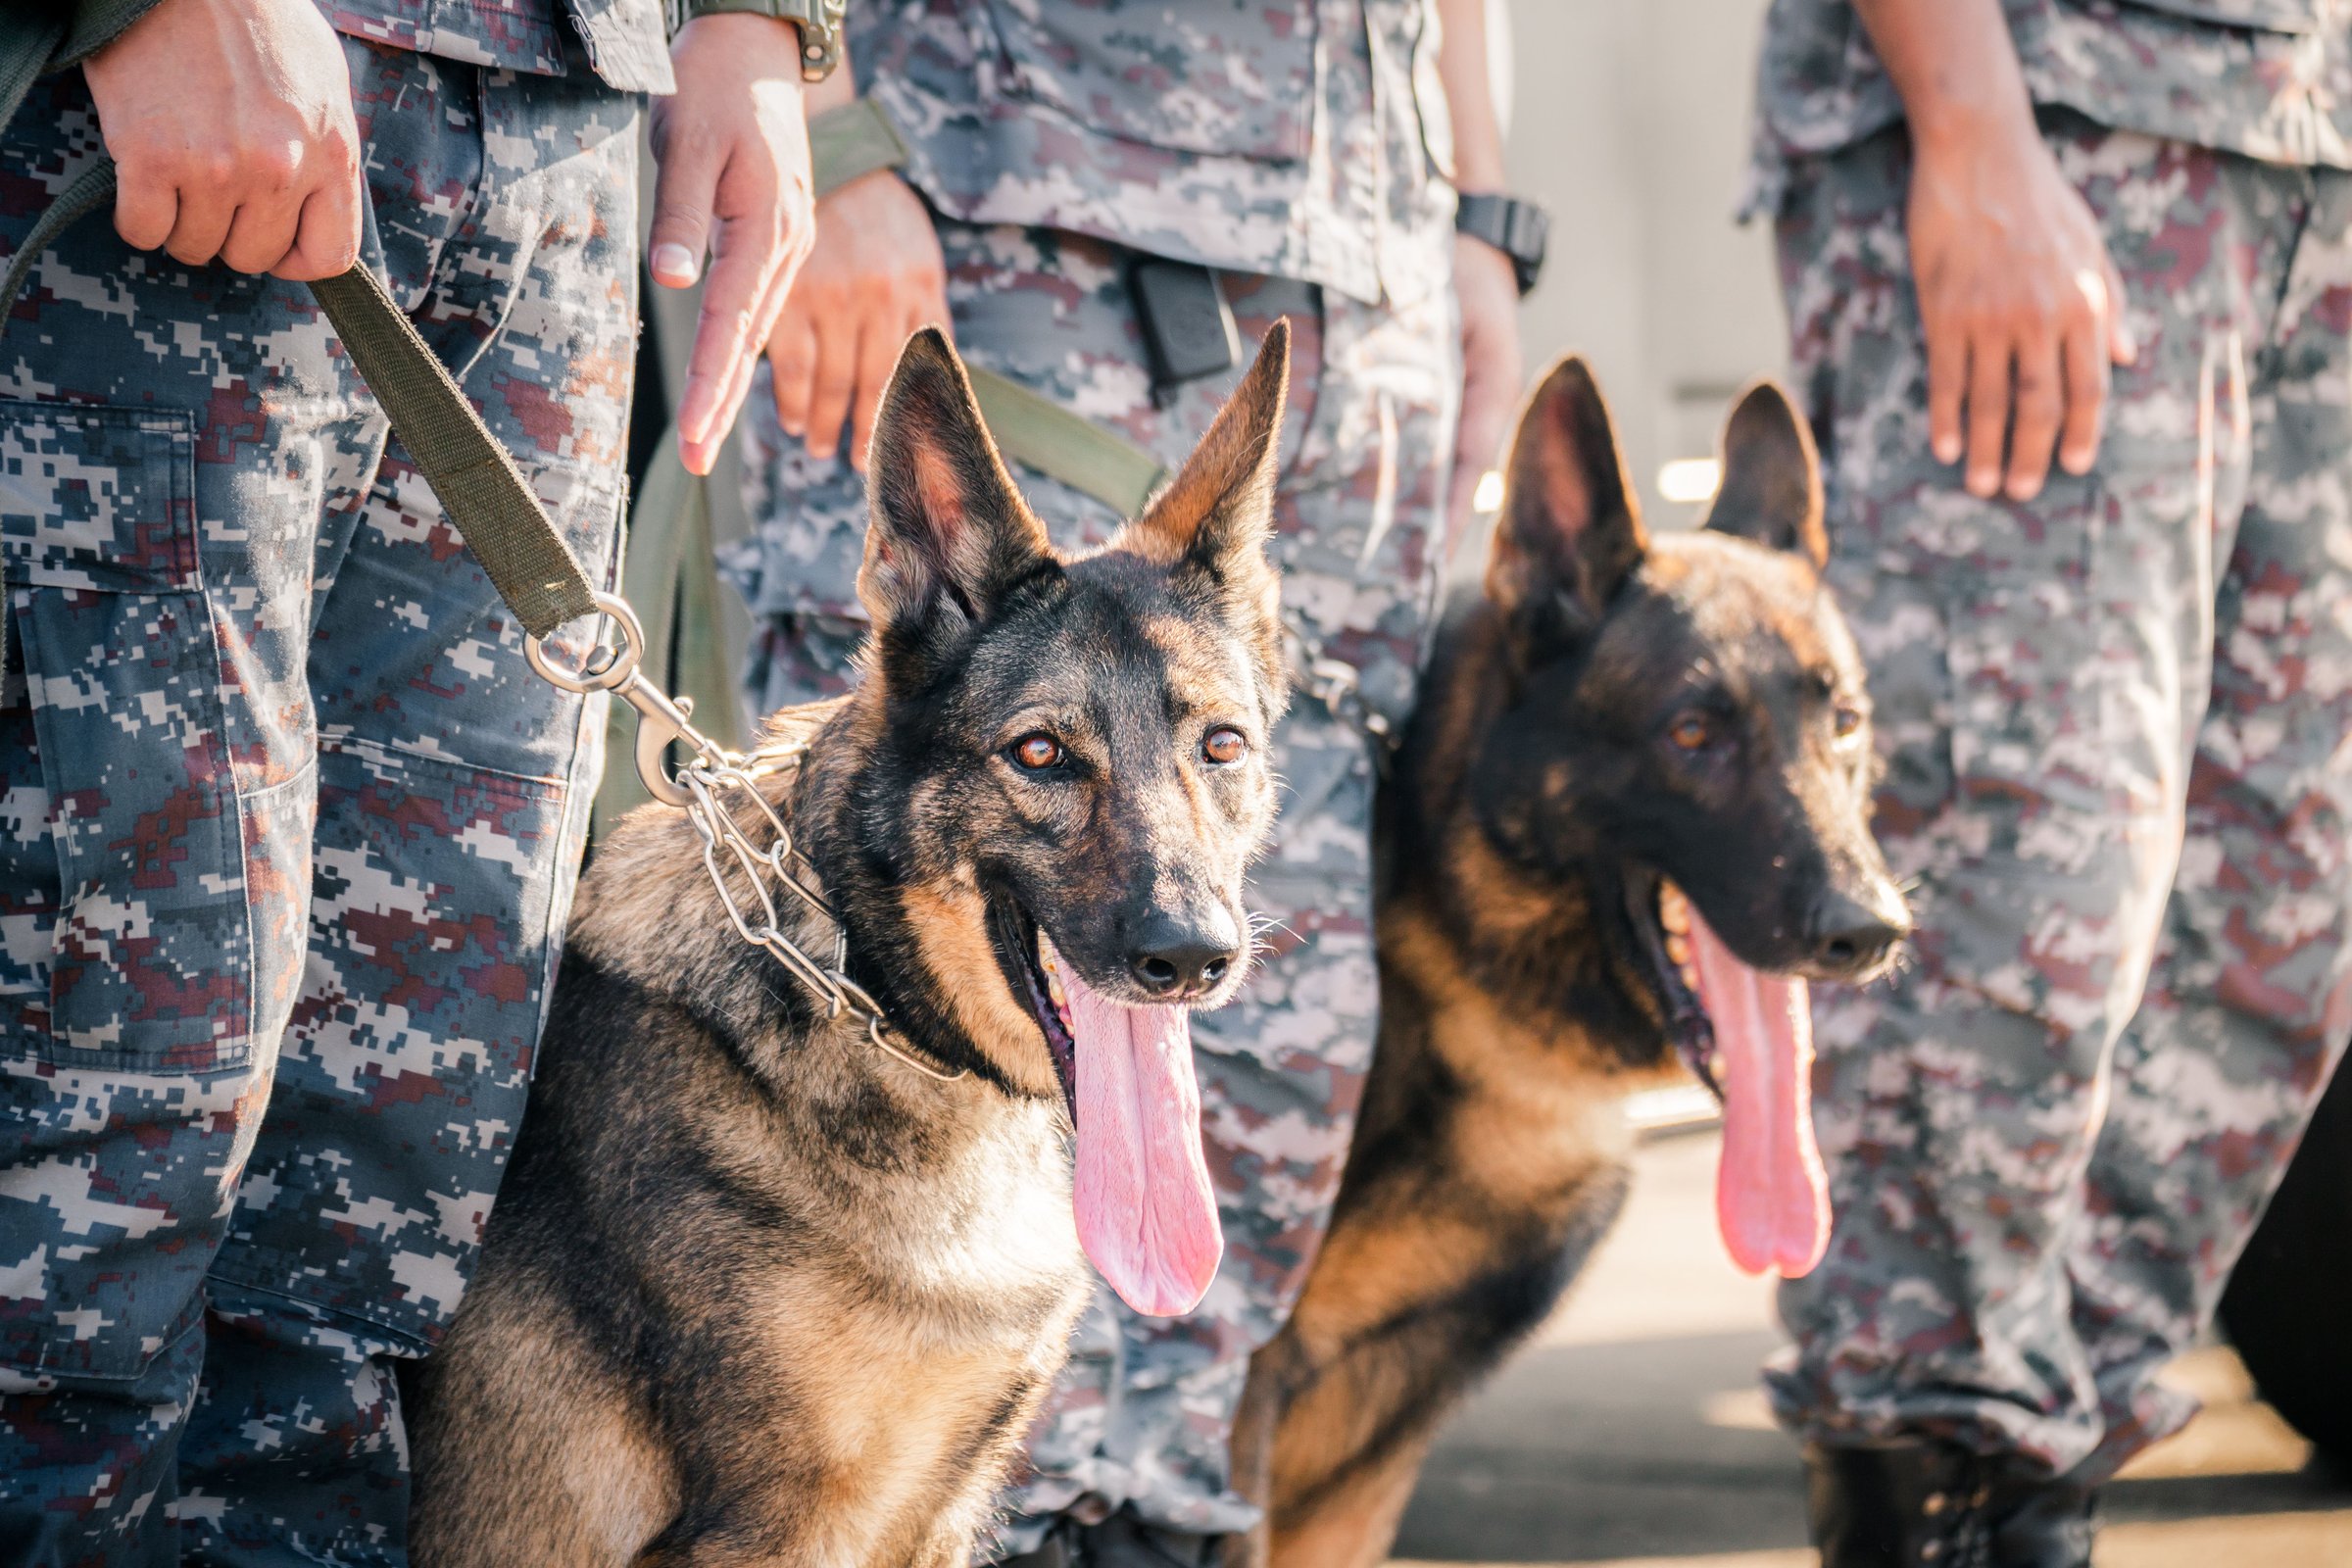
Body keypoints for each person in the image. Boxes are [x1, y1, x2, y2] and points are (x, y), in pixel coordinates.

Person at [0, 0, 816, 1558]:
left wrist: (761, 25)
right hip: (190, 92)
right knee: (101, 1139)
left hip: (569, 111)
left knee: (380, 1205)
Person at [720, 1, 1536, 1559]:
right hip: (1022, 220)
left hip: (1372, 272)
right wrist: (829, 133)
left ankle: (1162, 1517)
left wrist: (1479, 219)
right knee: (919, 1045)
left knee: (1276, 1048)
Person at [1746, 0, 2352, 1560]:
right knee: (2017, 881)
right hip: (2064, 114)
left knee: (2280, 901)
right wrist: (1969, 124)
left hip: (2310, 139)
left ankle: (2036, 1461)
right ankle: (1938, 1442)